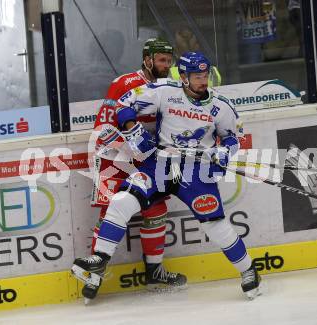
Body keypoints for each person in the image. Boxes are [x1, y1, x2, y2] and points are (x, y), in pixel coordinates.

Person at [73, 51, 261, 300]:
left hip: (195, 171)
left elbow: (232, 138)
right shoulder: (164, 91)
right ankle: (100, 258)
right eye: (196, 76)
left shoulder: (221, 106)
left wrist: (223, 152)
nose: (203, 81)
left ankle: (249, 271)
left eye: (205, 75)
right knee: (120, 202)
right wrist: (133, 131)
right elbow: (123, 104)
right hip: (158, 166)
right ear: (183, 76)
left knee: (215, 227)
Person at [84, 38, 187, 301]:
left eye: (169, 60)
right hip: (113, 156)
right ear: (147, 59)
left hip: (145, 159)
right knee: (112, 210)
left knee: (156, 208)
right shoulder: (125, 84)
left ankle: (154, 272)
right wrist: (132, 145)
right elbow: (104, 127)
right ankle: (93, 275)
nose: (166, 65)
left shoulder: (170, 87)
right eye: (161, 60)